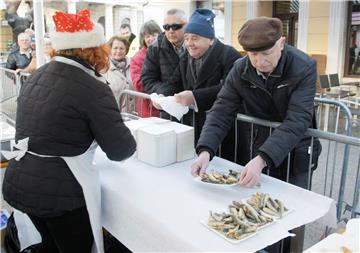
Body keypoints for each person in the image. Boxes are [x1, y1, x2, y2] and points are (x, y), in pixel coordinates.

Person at [2, 9, 136, 253]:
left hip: (22, 181)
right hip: (60, 194)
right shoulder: (93, 87)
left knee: (49, 246)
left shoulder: (38, 74)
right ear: (95, 50)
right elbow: (121, 150)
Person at [191, 17, 322, 252]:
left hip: (297, 151)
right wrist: (205, 150)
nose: (260, 61)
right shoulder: (240, 68)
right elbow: (221, 110)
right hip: (261, 147)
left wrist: (261, 158)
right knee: (258, 215)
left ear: (281, 43)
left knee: (290, 216)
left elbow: (298, 119)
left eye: (267, 53)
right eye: (253, 55)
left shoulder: (303, 66)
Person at [153, 9, 241, 161]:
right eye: (186, 38)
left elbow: (229, 89)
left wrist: (195, 97)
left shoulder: (229, 55)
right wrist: (162, 95)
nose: (189, 44)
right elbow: (175, 82)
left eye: (194, 38)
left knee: (221, 165)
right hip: (196, 125)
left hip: (222, 128)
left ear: (211, 39)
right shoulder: (186, 57)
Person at [140, 8, 187, 95]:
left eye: (175, 27)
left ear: (186, 25)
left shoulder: (196, 44)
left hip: (197, 104)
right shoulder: (155, 48)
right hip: (169, 104)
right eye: (166, 27)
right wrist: (167, 92)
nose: (171, 31)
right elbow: (147, 80)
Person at [130, 20, 162, 117]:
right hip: (149, 109)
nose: (151, 39)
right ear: (143, 39)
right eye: (147, 36)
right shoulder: (137, 58)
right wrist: (162, 85)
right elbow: (139, 84)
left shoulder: (167, 52)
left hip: (168, 107)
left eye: (154, 35)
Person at [103, 35, 133, 108]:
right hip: (115, 114)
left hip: (134, 114)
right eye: (115, 48)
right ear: (110, 49)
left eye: (122, 48)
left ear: (126, 50)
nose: (118, 51)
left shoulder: (133, 64)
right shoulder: (103, 67)